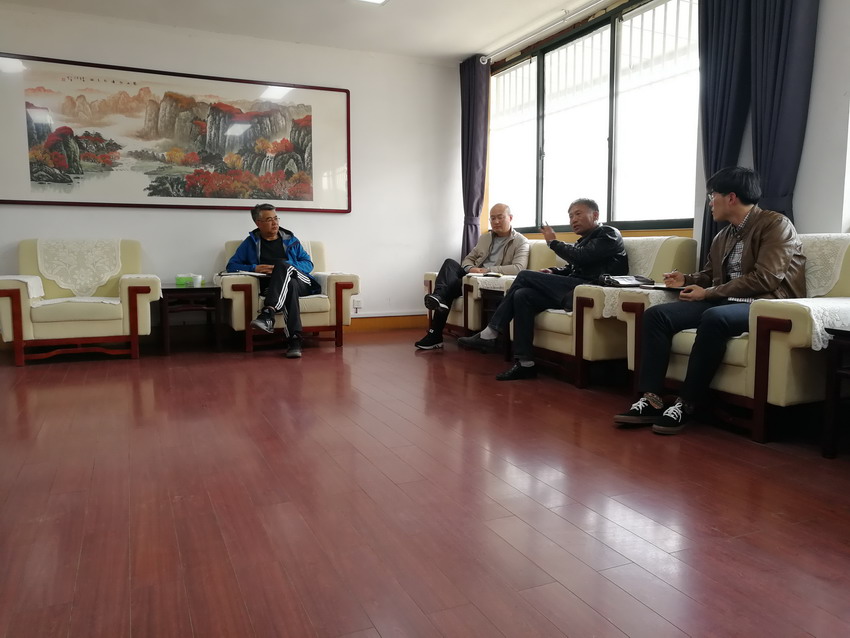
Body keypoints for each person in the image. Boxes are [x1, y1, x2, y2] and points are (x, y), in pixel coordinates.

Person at [614, 167, 806, 434]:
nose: (710, 202)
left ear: (731, 197)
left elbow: (766, 279)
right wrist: (686, 279)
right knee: (657, 315)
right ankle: (651, 399)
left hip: (765, 304)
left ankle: (687, 403)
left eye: (712, 196)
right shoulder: (723, 235)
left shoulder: (776, 225)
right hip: (727, 300)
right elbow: (710, 275)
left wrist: (710, 293)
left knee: (713, 317)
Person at [458, 198, 628, 380]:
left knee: (524, 276)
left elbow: (582, 257)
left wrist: (553, 242)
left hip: (589, 290)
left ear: (595, 215)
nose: (573, 220)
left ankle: (491, 332)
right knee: (523, 295)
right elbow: (573, 267)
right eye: (571, 216)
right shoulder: (584, 240)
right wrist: (553, 271)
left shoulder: (609, 234)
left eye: (578, 214)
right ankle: (525, 363)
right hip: (573, 288)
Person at [415, 203, 530, 350]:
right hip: (472, 277)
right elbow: (468, 259)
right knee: (449, 263)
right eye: (492, 218)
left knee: (449, 288)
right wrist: (471, 268)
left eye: (500, 217)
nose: (495, 222)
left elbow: (518, 268)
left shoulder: (521, 241)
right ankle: (438, 297)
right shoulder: (485, 238)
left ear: (510, 218)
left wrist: (485, 270)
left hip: (490, 280)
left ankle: (434, 334)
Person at [226, 202, 321, 359]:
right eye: (269, 219)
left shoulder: (290, 240)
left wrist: (284, 266)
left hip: (302, 282)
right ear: (258, 223)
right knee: (289, 286)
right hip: (275, 287)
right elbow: (231, 266)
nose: (275, 223)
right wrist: (254, 268)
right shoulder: (250, 243)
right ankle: (294, 341)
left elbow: (308, 264)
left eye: (276, 218)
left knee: (283, 266)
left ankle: (268, 311)